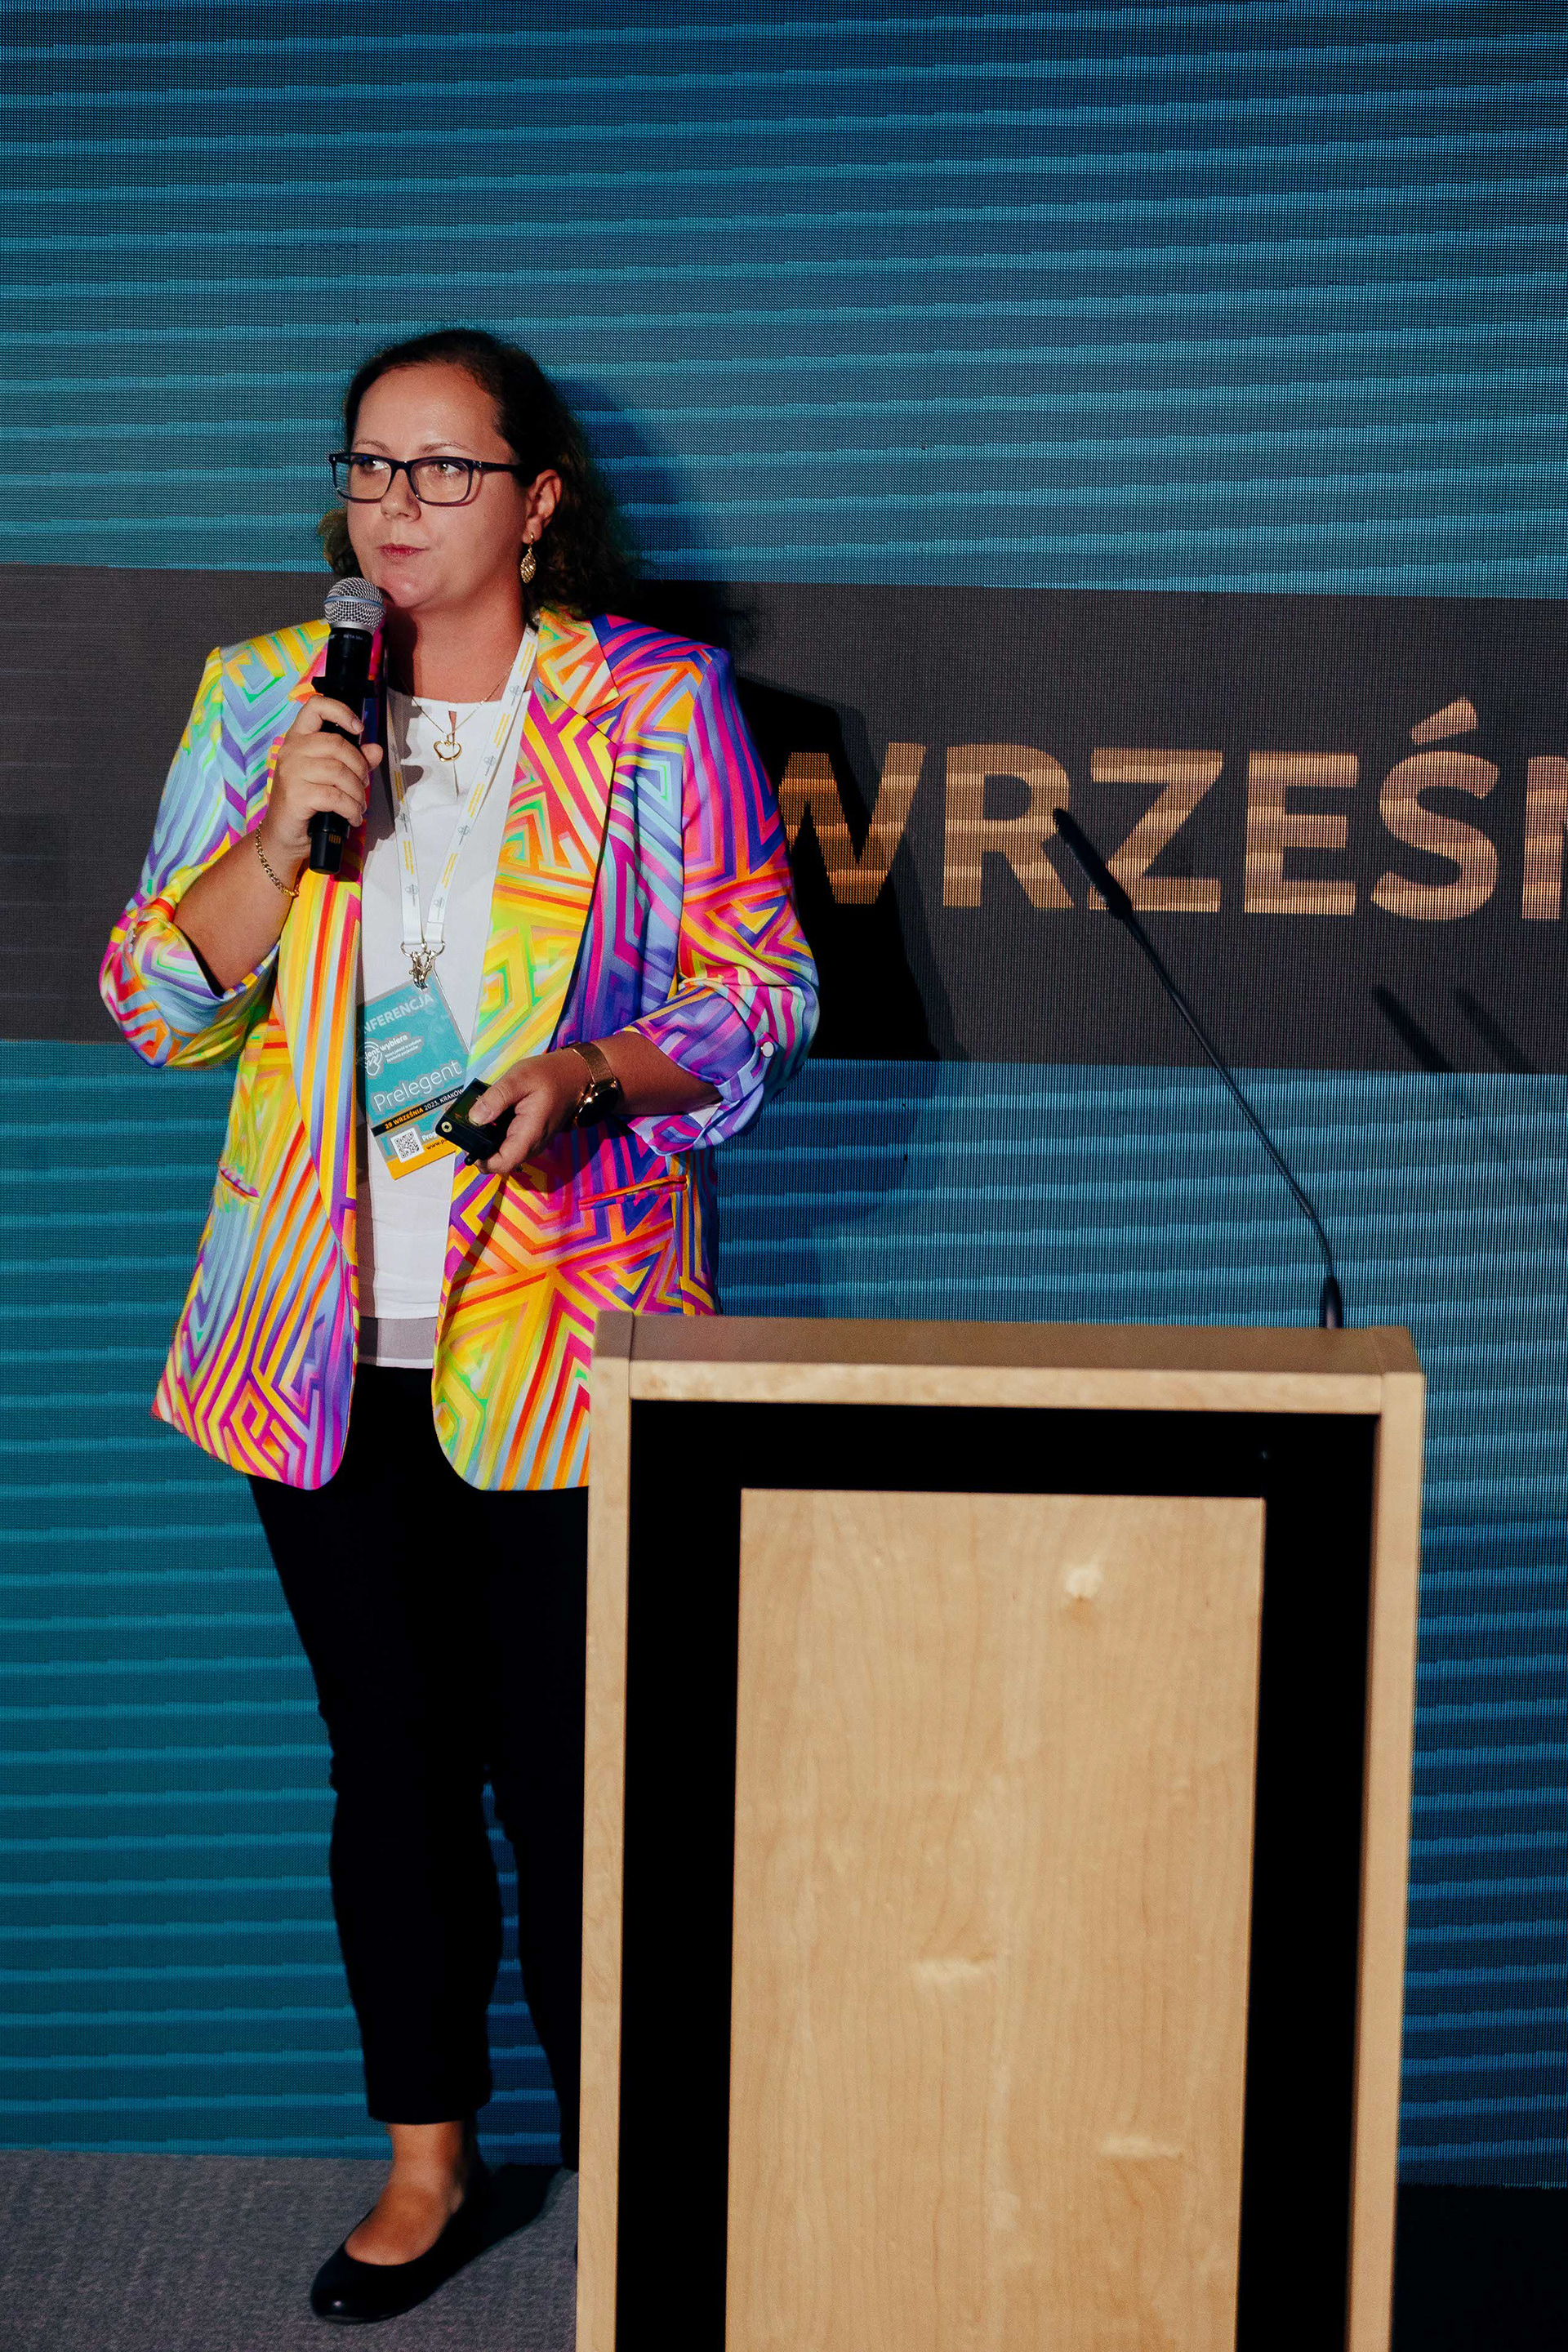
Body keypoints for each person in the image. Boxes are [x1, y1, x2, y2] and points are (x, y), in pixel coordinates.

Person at [100, 327, 817, 2323]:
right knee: (389, 1769)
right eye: (369, 468)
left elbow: (760, 990)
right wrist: (271, 842)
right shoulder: (268, 697)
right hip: (317, 1344)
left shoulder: (652, 703)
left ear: (537, 498)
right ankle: (426, 2160)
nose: (395, 507)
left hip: (571, 1336)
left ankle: (639, 2167)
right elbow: (157, 1000)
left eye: (441, 469)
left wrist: (592, 1071)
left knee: (584, 1781)